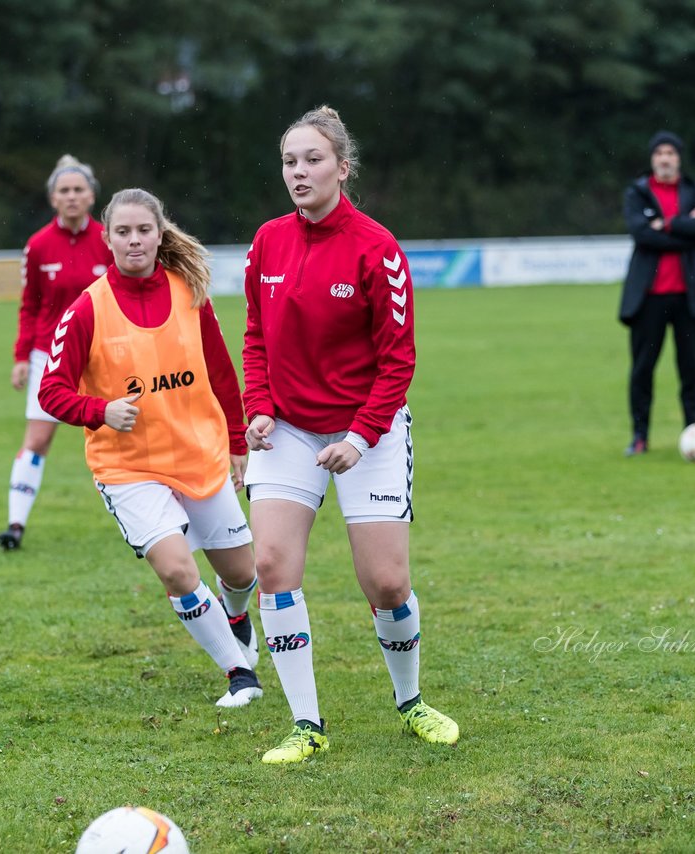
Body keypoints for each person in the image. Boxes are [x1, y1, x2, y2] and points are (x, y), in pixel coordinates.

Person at [241, 106, 459, 764]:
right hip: (288, 432)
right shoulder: (267, 243)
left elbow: (398, 363)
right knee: (273, 567)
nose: (299, 172)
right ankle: (306, 725)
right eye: (289, 161)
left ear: (342, 166)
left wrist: (360, 439)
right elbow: (255, 336)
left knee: (386, 584)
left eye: (312, 159)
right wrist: (256, 407)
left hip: (371, 431)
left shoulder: (377, 248)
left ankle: (411, 702)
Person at [38, 187, 263, 708]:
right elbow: (52, 391)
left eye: (144, 230)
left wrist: (236, 442)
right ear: (107, 238)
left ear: (160, 234)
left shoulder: (188, 291)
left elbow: (221, 371)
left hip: (198, 457)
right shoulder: (86, 310)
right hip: (129, 468)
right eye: (123, 231)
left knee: (242, 573)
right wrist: (100, 411)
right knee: (178, 570)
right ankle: (238, 673)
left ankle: (234, 614)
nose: (134, 240)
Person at [0, 155, 112, 550]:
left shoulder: (110, 239)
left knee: (123, 436)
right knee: (38, 440)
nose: (72, 196)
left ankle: (150, 524)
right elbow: (29, 305)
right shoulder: (38, 245)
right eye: (64, 190)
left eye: (79, 189)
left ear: (92, 196)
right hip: (50, 357)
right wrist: (20, 357)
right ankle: (15, 525)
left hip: (103, 355)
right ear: (52, 198)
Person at [618, 130, 695, 456]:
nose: (665, 158)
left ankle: (694, 435)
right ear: (652, 159)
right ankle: (639, 436)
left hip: (689, 296)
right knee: (642, 369)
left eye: (671, 153)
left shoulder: (694, 190)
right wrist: (683, 229)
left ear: (678, 158)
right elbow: (641, 234)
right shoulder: (638, 192)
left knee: (691, 370)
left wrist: (667, 224)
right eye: (660, 152)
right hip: (649, 297)